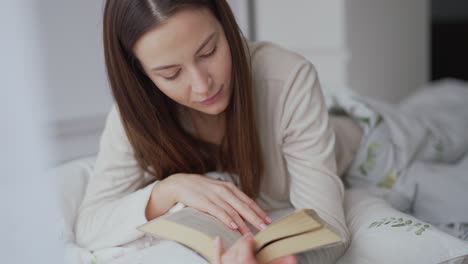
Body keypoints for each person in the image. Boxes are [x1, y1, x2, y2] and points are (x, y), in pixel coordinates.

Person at [75, 0, 362, 263]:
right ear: (142, 75)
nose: (202, 85)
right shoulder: (135, 113)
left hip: (355, 136)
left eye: (209, 51)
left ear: (226, 25)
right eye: (171, 74)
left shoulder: (287, 78)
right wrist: (170, 189)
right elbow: (90, 226)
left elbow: (328, 225)